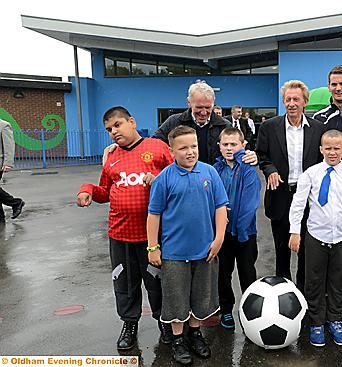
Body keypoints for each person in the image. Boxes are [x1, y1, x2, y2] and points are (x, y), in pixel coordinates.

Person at [76, 106, 174, 350]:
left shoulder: (157, 147)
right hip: (120, 235)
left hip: (153, 235)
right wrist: (88, 189)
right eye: (109, 129)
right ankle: (130, 324)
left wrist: (159, 181)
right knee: (124, 285)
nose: (113, 132)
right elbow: (105, 192)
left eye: (117, 125)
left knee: (157, 283)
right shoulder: (111, 156)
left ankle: (164, 322)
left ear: (132, 121)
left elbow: (178, 177)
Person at [147, 125, 228, 366]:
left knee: (200, 296)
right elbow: (154, 215)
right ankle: (178, 339)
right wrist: (153, 247)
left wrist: (219, 238)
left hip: (205, 251)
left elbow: (220, 207)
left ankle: (194, 333)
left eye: (193, 146)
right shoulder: (164, 179)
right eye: (183, 148)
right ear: (172, 151)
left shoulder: (210, 173)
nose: (190, 152)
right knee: (176, 298)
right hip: (174, 254)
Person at [288, 129, 342, 347]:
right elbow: (298, 204)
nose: (332, 152)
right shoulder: (310, 174)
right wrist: (295, 231)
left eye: (336, 148)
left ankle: (335, 320)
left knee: (338, 281)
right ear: (321, 149)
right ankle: (317, 322)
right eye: (328, 148)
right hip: (315, 236)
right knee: (314, 281)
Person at [256, 79, 326, 292]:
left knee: (306, 249)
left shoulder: (318, 129)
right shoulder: (269, 127)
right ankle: (283, 292)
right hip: (280, 195)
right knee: (282, 248)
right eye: (288, 99)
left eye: (296, 99)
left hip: (308, 198)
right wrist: (270, 170)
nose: (292, 103)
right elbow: (262, 154)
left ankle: (304, 293)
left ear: (305, 102)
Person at [213, 127, 261, 330]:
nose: (229, 148)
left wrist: (240, 230)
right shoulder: (214, 170)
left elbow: (250, 204)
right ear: (219, 146)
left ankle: (250, 310)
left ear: (243, 145)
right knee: (222, 274)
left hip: (244, 234)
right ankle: (226, 310)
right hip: (222, 234)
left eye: (234, 144)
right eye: (225, 144)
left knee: (247, 273)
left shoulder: (249, 169)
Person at [153, 82, 256, 165]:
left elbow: (236, 150)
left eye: (208, 107)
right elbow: (154, 145)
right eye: (199, 107)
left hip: (214, 182)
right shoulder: (174, 122)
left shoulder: (224, 125)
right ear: (188, 102)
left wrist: (249, 155)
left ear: (213, 103)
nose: (203, 112)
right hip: (182, 182)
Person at [0, 119, 24, 222]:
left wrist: (8, 163)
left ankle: (16, 202)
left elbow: (9, 145)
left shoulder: (3, 125)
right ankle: (1, 217)